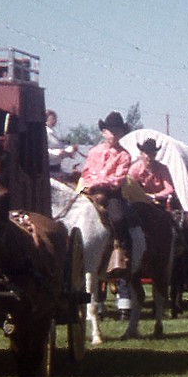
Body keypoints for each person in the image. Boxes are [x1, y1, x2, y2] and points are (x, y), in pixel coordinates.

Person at [79, 111, 141, 273]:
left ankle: (121, 251)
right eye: (111, 130)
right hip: (90, 190)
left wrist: (99, 182)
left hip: (112, 193)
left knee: (118, 217)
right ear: (104, 132)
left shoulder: (124, 155)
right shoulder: (94, 151)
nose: (114, 134)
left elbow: (118, 179)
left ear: (122, 133)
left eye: (118, 131)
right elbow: (86, 171)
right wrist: (91, 183)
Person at [129, 137, 176, 208]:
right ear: (141, 154)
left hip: (159, 203)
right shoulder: (134, 168)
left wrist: (155, 196)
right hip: (139, 203)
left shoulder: (163, 168)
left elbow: (169, 189)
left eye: (152, 153)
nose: (150, 156)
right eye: (147, 153)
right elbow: (129, 185)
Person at [45, 110, 78, 178]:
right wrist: (57, 152)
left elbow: (62, 151)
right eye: (53, 119)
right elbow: (43, 151)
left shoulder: (55, 133)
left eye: (55, 119)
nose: (55, 121)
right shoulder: (44, 132)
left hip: (57, 167)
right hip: (48, 168)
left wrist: (71, 150)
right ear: (46, 119)